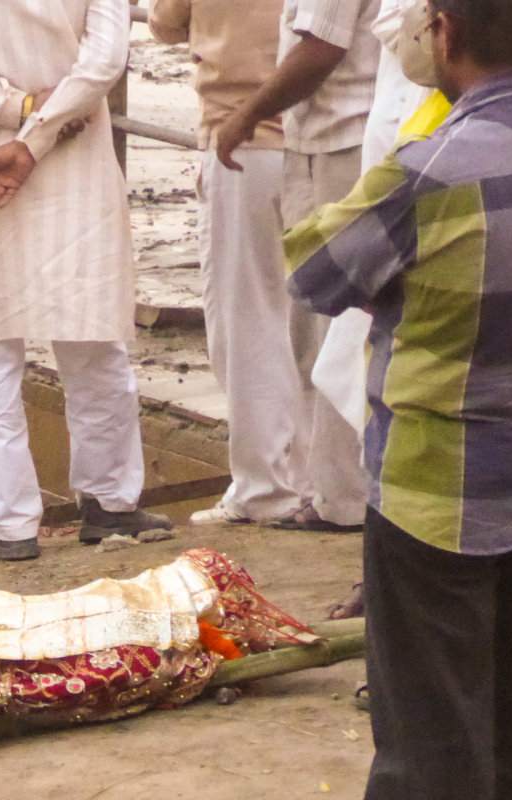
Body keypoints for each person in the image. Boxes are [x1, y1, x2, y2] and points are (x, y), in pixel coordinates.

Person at [285, 1, 512, 795]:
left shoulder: (426, 170)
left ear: (444, 33)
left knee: (431, 743)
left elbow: (317, 275)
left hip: (437, 494)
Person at [0, 0, 172, 561]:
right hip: (74, 159)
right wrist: (38, 128)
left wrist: (14, 111)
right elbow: (103, 63)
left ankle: (10, 523)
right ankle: (109, 504)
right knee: (93, 342)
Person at [216, 0, 382, 533]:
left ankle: (339, 497)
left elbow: (321, 47)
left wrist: (247, 113)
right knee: (349, 326)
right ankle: (341, 488)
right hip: (356, 134)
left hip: (338, 139)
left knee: (326, 326)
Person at [149, 0, 308, 528]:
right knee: (315, 318)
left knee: (246, 318)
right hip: (321, 141)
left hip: (240, 137)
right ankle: (316, 479)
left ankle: (263, 487)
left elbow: (164, 24)